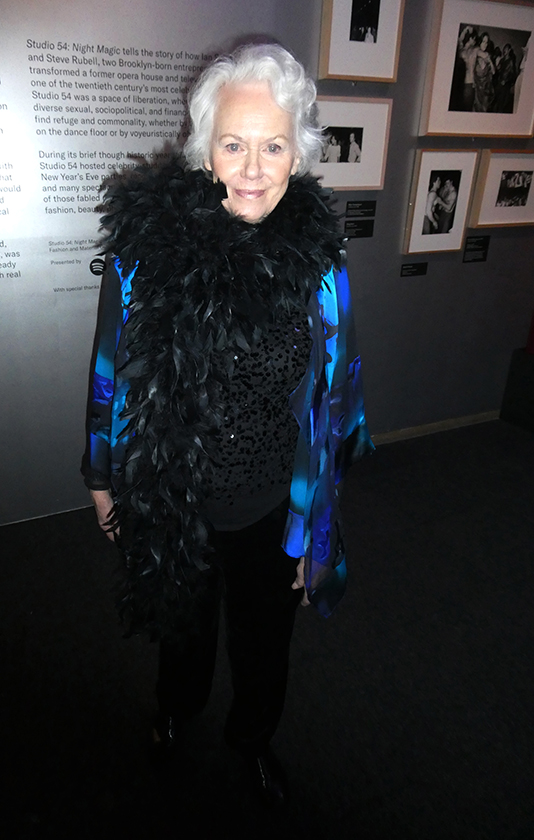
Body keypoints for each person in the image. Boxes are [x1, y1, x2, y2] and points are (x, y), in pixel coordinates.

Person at [81, 43, 373, 806]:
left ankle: (252, 740)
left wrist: (321, 519)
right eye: (233, 144)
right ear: (204, 151)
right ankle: (175, 711)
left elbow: (336, 394)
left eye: (273, 146)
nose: (252, 168)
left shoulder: (321, 263)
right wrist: (101, 474)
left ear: (298, 155)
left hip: (273, 498)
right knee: (182, 625)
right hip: (175, 492)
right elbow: (109, 369)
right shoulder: (145, 256)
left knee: (264, 638)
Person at [473, 32, 495, 112]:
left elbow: (493, 72)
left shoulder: (487, 55)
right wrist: (487, 57)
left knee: (484, 110)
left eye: (486, 42)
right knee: (475, 109)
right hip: (476, 88)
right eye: (483, 41)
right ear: (480, 42)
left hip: (486, 88)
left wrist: (490, 62)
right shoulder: (476, 52)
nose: (485, 44)